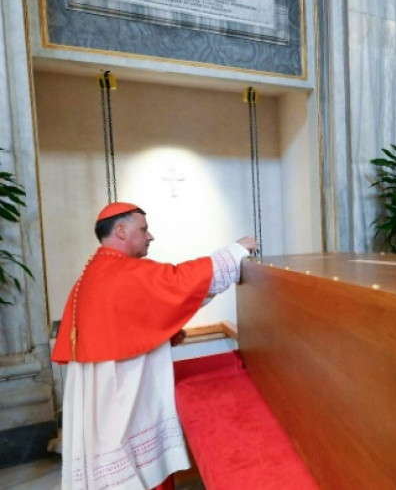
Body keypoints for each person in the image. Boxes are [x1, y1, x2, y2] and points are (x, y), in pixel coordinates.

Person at [51, 202, 257, 490]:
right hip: (120, 392)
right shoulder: (121, 271)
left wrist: (165, 332)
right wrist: (234, 251)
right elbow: (178, 281)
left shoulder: (99, 271)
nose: (150, 236)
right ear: (120, 230)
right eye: (144, 229)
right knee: (132, 462)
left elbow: (128, 320)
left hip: (105, 390)